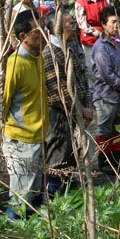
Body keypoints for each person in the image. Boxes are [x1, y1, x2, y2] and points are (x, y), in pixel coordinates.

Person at [42, 11, 94, 196]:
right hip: (60, 115)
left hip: (77, 112)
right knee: (59, 156)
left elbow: (83, 78)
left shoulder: (72, 47)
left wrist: (87, 107)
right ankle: (52, 198)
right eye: (70, 24)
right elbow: (57, 92)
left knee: (74, 154)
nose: (74, 27)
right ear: (57, 29)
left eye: (74, 23)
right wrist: (79, 111)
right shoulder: (50, 53)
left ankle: (66, 192)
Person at [3, 10, 48, 216]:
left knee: (32, 191)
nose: (44, 35)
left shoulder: (37, 58)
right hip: (21, 139)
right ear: (23, 37)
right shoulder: (15, 64)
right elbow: (1, 103)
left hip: (37, 136)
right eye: (38, 32)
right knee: (21, 195)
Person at [91, 6, 120, 176]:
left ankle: (116, 160)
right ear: (103, 24)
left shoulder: (119, 42)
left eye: (118, 22)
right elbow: (106, 73)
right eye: (112, 22)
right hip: (106, 95)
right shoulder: (101, 46)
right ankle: (104, 162)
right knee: (104, 130)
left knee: (118, 128)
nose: (116, 26)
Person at [73, 0, 110, 90]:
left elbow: (110, 12)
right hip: (90, 39)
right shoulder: (80, 2)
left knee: (107, 63)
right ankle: (93, 93)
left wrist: (108, 29)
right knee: (91, 66)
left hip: (106, 33)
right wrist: (97, 33)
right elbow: (82, 24)